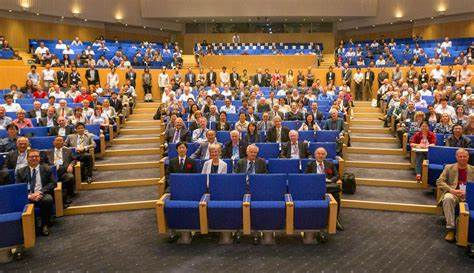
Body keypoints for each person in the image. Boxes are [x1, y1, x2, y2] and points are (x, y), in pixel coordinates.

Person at [436, 148, 474, 242]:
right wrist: (451, 190)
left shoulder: (473, 170)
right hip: (454, 194)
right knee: (448, 198)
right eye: (460, 156)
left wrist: (469, 192)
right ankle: (451, 229)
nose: (462, 158)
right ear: (456, 157)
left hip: (469, 196)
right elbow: (439, 181)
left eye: (464, 156)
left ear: (468, 157)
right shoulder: (449, 167)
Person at [15, 149, 56, 236]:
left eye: (36, 156)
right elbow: (18, 187)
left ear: (39, 158)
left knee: (48, 199)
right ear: (27, 158)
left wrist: (40, 192)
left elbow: (53, 183)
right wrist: (29, 195)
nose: (34, 158)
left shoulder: (46, 168)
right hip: (27, 195)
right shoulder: (20, 171)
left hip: (42, 193)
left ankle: (45, 224)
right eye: (31, 157)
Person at [305, 147, 344, 231]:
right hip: (315, 186)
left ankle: (335, 219)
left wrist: (330, 180)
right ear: (315, 155)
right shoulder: (310, 164)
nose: (320, 155)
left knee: (336, 196)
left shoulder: (330, 164)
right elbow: (306, 177)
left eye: (323, 154)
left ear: (325, 155)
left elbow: (337, 176)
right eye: (318, 154)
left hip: (328, 185)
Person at [41, 137, 76, 206]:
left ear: (63, 143)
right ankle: (63, 196)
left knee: (70, 177)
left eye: (61, 141)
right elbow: (43, 163)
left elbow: (74, 160)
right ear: (53, 142)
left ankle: (68, 194)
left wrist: (71, 165)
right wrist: (49, 167)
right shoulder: (47, 152)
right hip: (52, 172)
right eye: (57, 141)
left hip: (64, 171)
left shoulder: (68, 151)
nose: (59, 142)